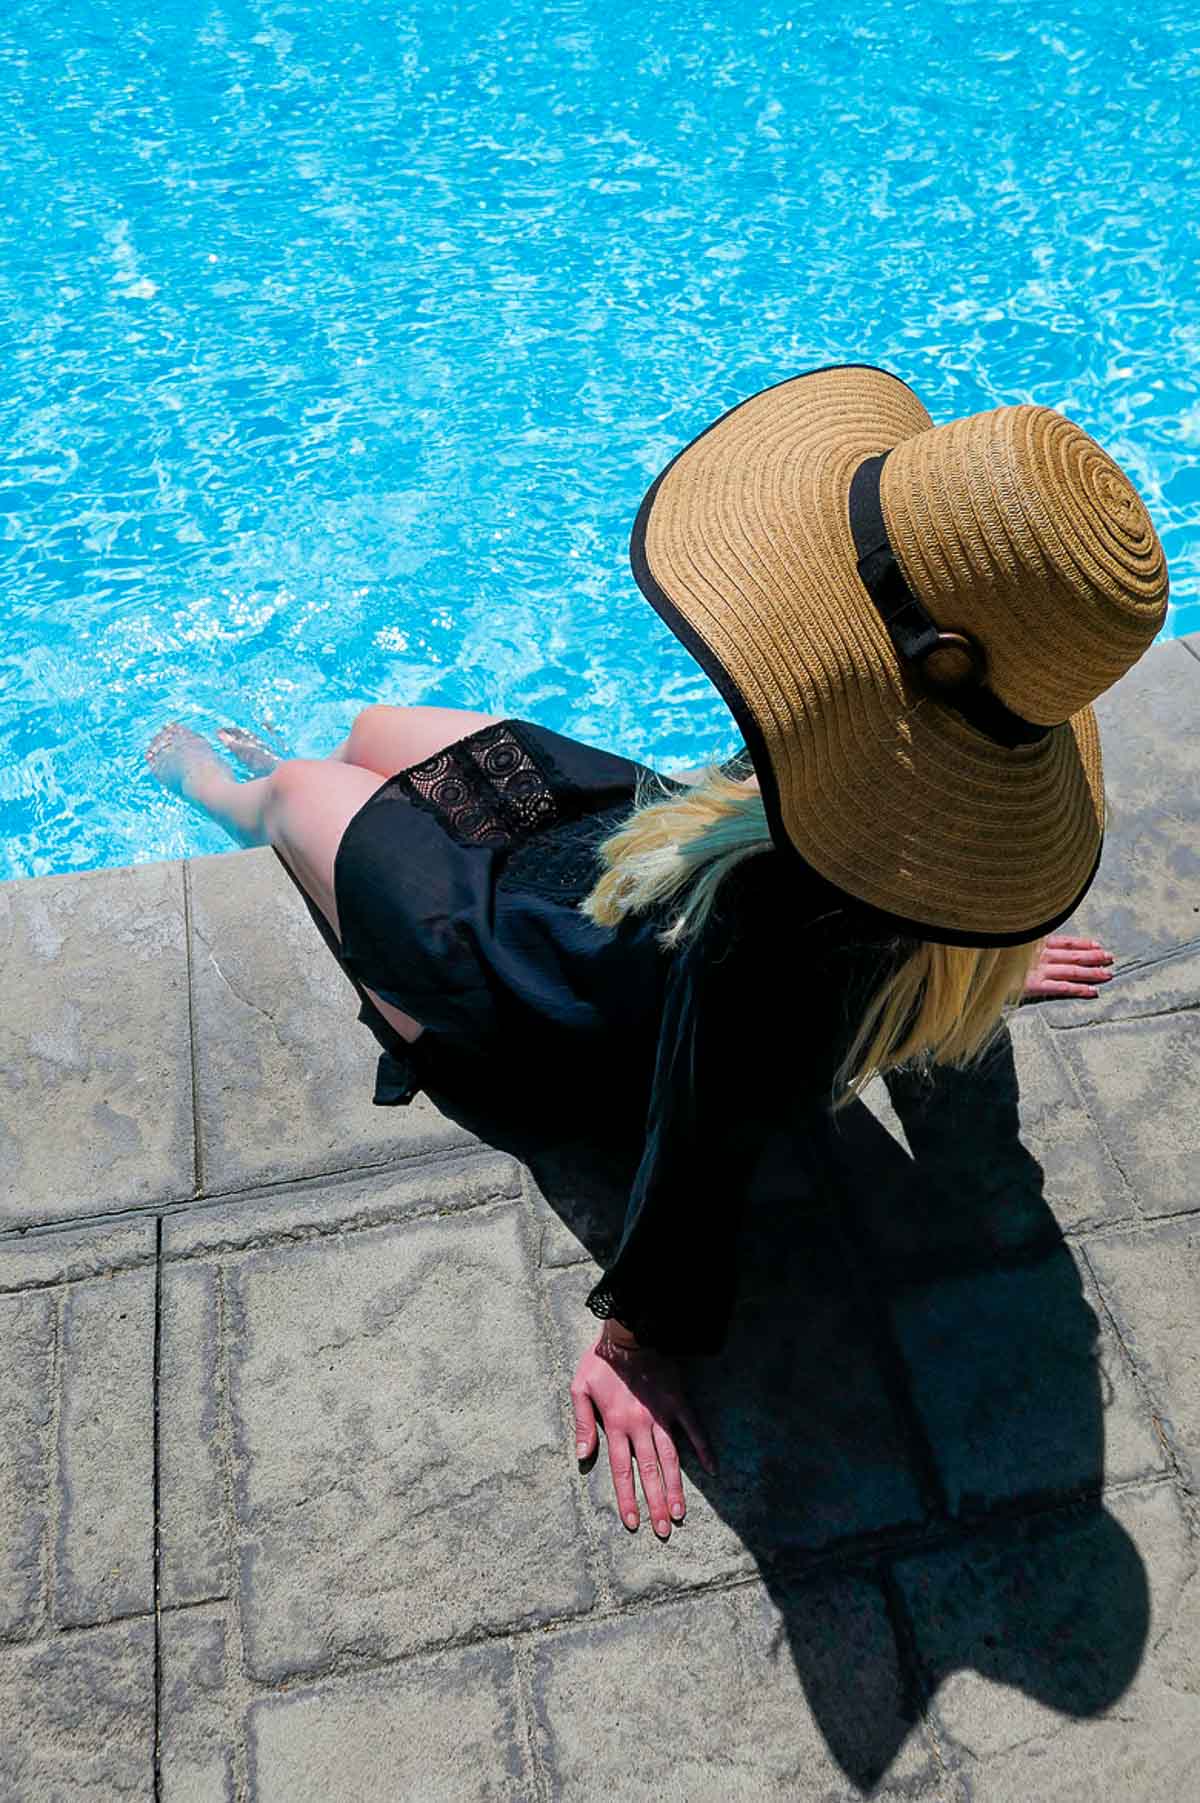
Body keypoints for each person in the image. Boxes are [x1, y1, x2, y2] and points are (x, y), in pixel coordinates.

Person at [147, 363, 1167, 1544]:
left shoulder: (777, 932)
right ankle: (298, 789)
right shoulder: (939, 830)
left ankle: (232, 794)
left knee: (306, 786)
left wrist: (641, 1340)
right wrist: (969, 966)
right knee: (382, 727)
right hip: (626, 861)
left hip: (536, 991)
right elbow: (905, 936)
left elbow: (706, 1128)